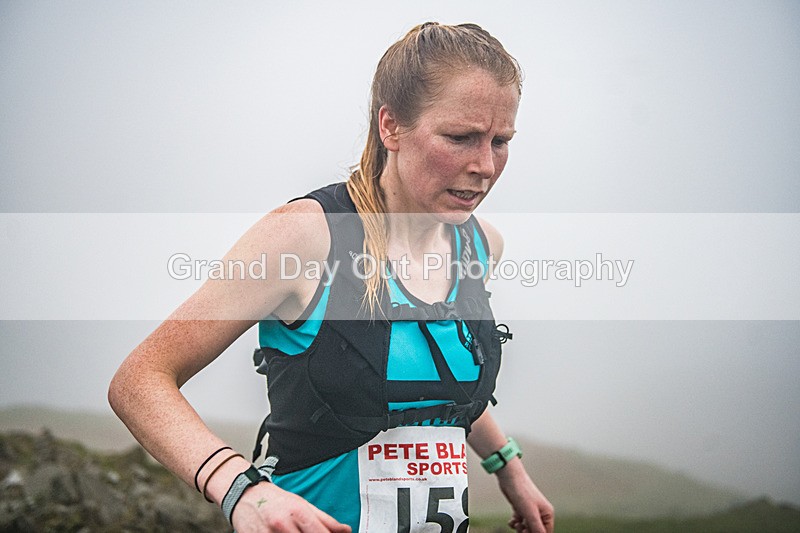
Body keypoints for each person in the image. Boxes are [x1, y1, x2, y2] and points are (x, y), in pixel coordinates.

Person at [109, 21, 554, 533]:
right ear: (391, 127)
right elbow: (139, 381)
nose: (485, 165)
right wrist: (243, 492)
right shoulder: (307, 237)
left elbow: (435, 384)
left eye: (501, 141)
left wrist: (508, 466)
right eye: (460, 137)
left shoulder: (480, 245)